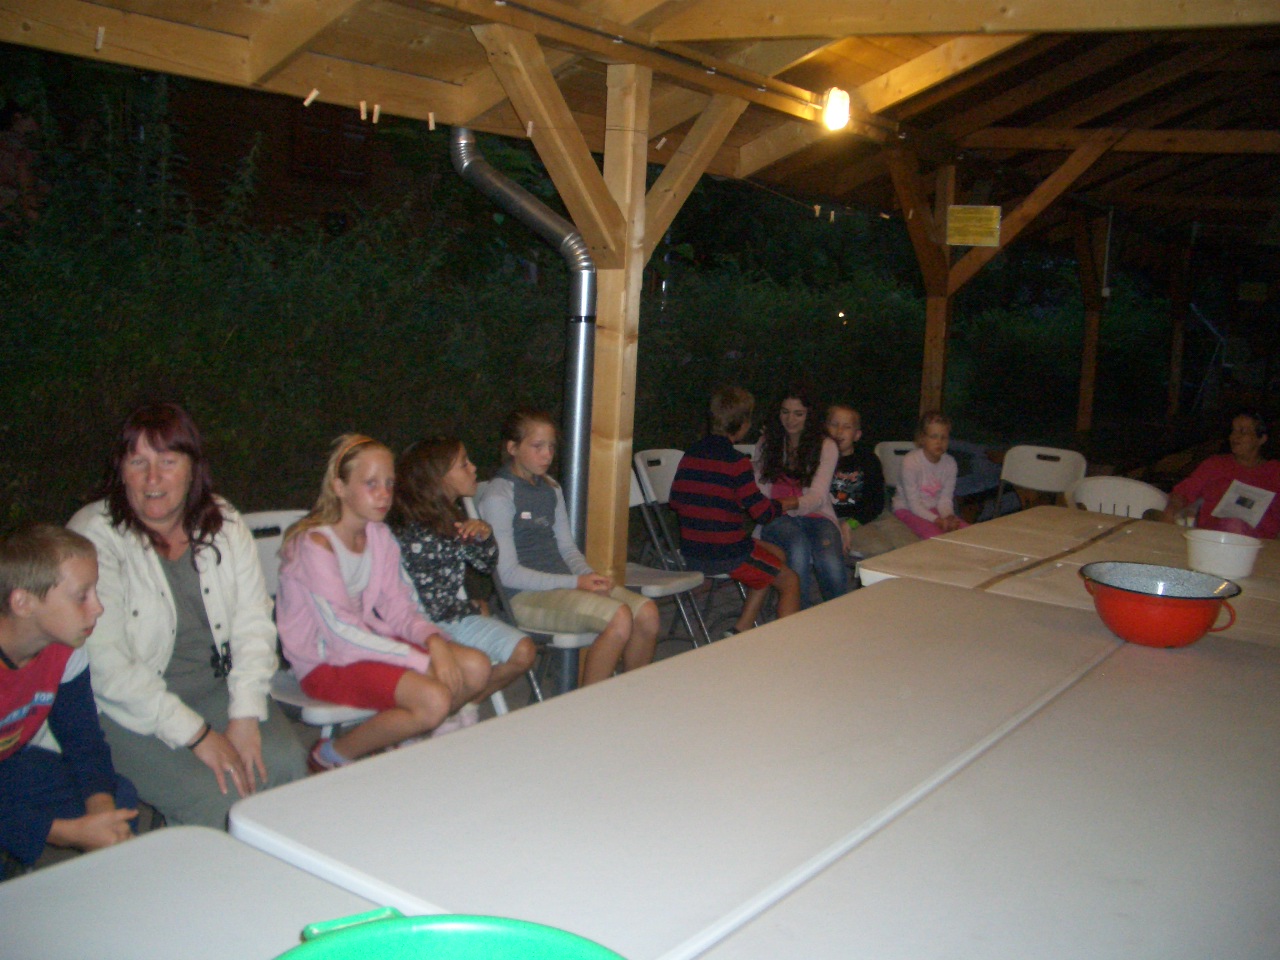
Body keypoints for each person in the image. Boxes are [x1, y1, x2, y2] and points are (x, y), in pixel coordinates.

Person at [67, 403, 306, 829]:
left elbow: (253, 623)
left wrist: (245, 715)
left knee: (286, 764)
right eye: (137, 462)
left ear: (192, 468)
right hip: (127, 709)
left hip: (214, 688)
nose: (152, 478)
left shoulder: (224, 522)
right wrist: (198, 736)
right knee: (218, 796)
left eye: (168, 461)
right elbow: (107, 667)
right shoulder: (94, 536)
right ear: (121, 470)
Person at [277, 435, 491, 771]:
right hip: (324, 661)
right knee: (435, 699)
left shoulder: (378, 535)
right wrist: (422, 661)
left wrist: (434, 640)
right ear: (339, 487)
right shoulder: (315, 546)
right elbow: (341, 633)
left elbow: (400, 606)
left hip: (365, 645)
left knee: (477, 668)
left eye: (389, 484)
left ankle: (403, 736)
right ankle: (330, 755)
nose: (384, 494)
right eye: (371, 483)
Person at [477, 410, 657, 686]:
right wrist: (576, 582)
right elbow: (508, 574)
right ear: (512, 448)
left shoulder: (551, 488)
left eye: (551, 446)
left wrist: (588, 577)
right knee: (619, 618)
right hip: (522, 598)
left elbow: (567, 548)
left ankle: (629, 694)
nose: (547, 455)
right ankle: (588, 705)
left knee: (647, 614)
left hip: (563, 586)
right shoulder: (499, 495)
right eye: (537, 446)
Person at [1, 525, 137, 872]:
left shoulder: (63, 648)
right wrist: (63, 832)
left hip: (10, 763)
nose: (98, 608)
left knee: (118, 800)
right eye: (81, 596)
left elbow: (83, 740)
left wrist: (101, 815)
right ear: (22, 602)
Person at [391, 436, 537, 703]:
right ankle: (442, 712)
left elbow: (485, 565)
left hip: (452, 617)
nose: (473, 468)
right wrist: (470, 607)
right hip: (419, 624)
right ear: (438, 477)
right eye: (463, 464)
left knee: (524, 651)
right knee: (476, 663)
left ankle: (459, 707)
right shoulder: (414, 529)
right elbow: (425, 603)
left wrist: (484, 536)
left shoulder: (452, 517)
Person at [670, 387, 801, 634]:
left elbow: (676, 501)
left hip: (692, 549)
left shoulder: (691, 454)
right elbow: (762, 513)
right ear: (743, 425)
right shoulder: (736, 462)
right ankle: (788, 643)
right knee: (790, 580)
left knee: (776, 555)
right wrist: (786, 504)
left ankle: (741, 628)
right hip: (725, 553)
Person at [753, 389, 847, 607]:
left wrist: (790, 503)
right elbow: (760, 488)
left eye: (798, 414)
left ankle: (841, 613)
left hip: (816, 514)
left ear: (810, 415)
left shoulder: (826, 445)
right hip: (776, 515)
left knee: (829, 557)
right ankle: (799, 613)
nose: (790, 420)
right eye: (785, 412)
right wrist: (778, 507)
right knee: (797, 547)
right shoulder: (767, 442)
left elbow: (818, 496)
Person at [1159, 411, 1280, 539]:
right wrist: (1172, 510)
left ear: (1261, 439)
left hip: (1261, 543)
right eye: (1233, 431)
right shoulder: (1216, 465)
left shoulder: (1275, 472)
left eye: (1243, 432)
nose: (1235, 437)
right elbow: (1182, 494)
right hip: (1214, 538)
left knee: (1235, 526)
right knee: (1233, 525)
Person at [825, 405, 919, 560]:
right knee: (880, 551)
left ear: (857, 435)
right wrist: (844, 524)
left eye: (847, 427)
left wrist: (852, 523)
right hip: (840, 519)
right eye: (834, 425)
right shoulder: (820, 461)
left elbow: (877, 502)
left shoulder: (868, 460)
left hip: (873, 514)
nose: (839, 431)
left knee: (913, 547)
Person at [892, 410, 969, 540]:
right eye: (934, 436)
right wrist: (937, 520)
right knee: (936, 538)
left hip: (934, 509)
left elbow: (945, 499)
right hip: (907, 509)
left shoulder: (950, 463)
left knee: (968, 532)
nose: (939, 442)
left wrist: (949, 517)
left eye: (944, 437)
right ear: (922, 438)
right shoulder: (910, 462)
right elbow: (914, 505)